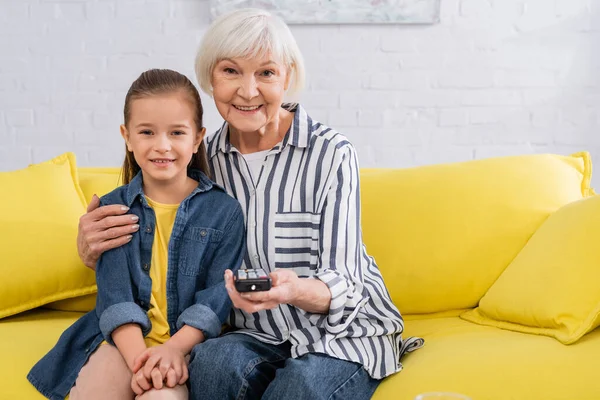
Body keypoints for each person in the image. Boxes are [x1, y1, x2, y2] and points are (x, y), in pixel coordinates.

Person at [77, 8, 423, 400]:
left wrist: (293, 289)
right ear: (211, 77)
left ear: (287, 77)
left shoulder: (331, 153)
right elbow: (151, 229)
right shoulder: (198, 157)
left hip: (340, 333)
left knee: (299, 388)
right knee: (209, 366)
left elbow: (344, 280)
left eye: (266, 73)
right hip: (253, 333)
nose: (247, 90)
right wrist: (93, 246)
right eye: (231, 71)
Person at [27, 69, 246, 400]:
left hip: (187, 342)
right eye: (147, 132)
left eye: (176, 133)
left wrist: (172, 350)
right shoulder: (113, 210)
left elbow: (216, 299)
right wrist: (139, 361)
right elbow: (116, 299)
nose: (162, 145)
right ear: (127, 136)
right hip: (122, 341)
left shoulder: (224, 211)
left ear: (197, 138)